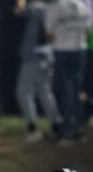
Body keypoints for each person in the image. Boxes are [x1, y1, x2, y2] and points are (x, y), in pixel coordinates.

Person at [46, 0, 93, 144]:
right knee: (76, 89)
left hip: (62, 51)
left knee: (65, 91)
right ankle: (79, 128)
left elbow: (49, 34)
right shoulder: (81, 5)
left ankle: (68, 131)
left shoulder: (55, 7)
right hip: (80, 50)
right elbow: (88, 30)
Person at [15, 0, 60, 143]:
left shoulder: (37, 8)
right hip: (46, 56)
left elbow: (19, 10)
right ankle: (56, 124)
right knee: (44, 92)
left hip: (33, 56)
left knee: (23, 92)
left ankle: (32, 128)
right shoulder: (50, 9)